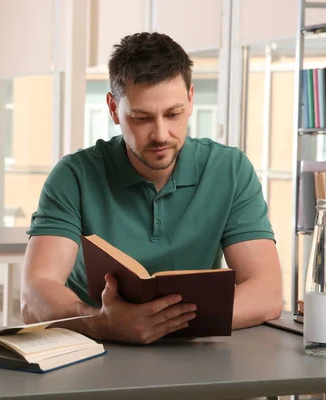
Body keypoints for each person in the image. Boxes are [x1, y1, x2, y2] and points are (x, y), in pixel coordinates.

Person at [20, 32, 283, 344]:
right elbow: (35, 293)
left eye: (173, 114)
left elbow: (267, 292)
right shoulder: (73, 175)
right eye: (142, 118)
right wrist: (103, 323)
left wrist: (158, 323)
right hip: (93, 350)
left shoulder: (231, 169)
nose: (161, 134)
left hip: (193, 355)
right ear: (114, 109)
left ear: (190, 100)